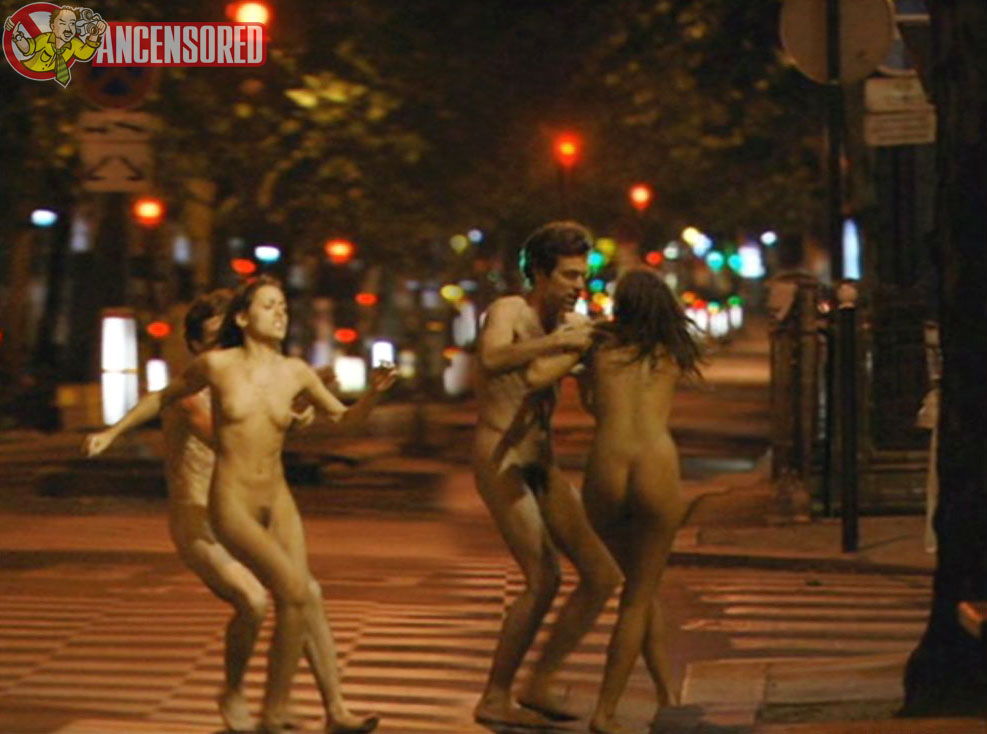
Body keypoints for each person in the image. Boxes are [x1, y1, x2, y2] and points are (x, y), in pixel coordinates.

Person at [84, 276, 394, 734]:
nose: (222, 342)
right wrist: (111, 433)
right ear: (197, 344)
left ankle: (334, 708)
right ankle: (237, 694)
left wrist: (304, 398)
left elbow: (284, 421)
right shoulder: (201, 385)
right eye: (214, 336)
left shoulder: (267, 373)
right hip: (202, 517)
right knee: (255, 600)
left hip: (261, 502)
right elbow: (228, 432)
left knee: (305, 593)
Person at [528, 267, 699, 733]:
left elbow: (583, 400)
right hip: (657, 463)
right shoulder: (673, 351)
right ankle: (606, 712)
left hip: (607, 462)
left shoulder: (598, 347)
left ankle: (667, 694)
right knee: (639, 596)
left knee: (635, 587)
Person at [472, 221, 621, 728]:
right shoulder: (510, 310)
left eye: (583, 275)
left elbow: (580, 390)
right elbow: (493, 357)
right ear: (539, 272)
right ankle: (495, 695)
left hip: (543, 456)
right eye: (569, 275)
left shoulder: (571, 321)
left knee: (601, 574)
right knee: (543, 577)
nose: (579, 285)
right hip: (501, 457)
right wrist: (555, 343)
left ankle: (541, 680)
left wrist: (592, 359)